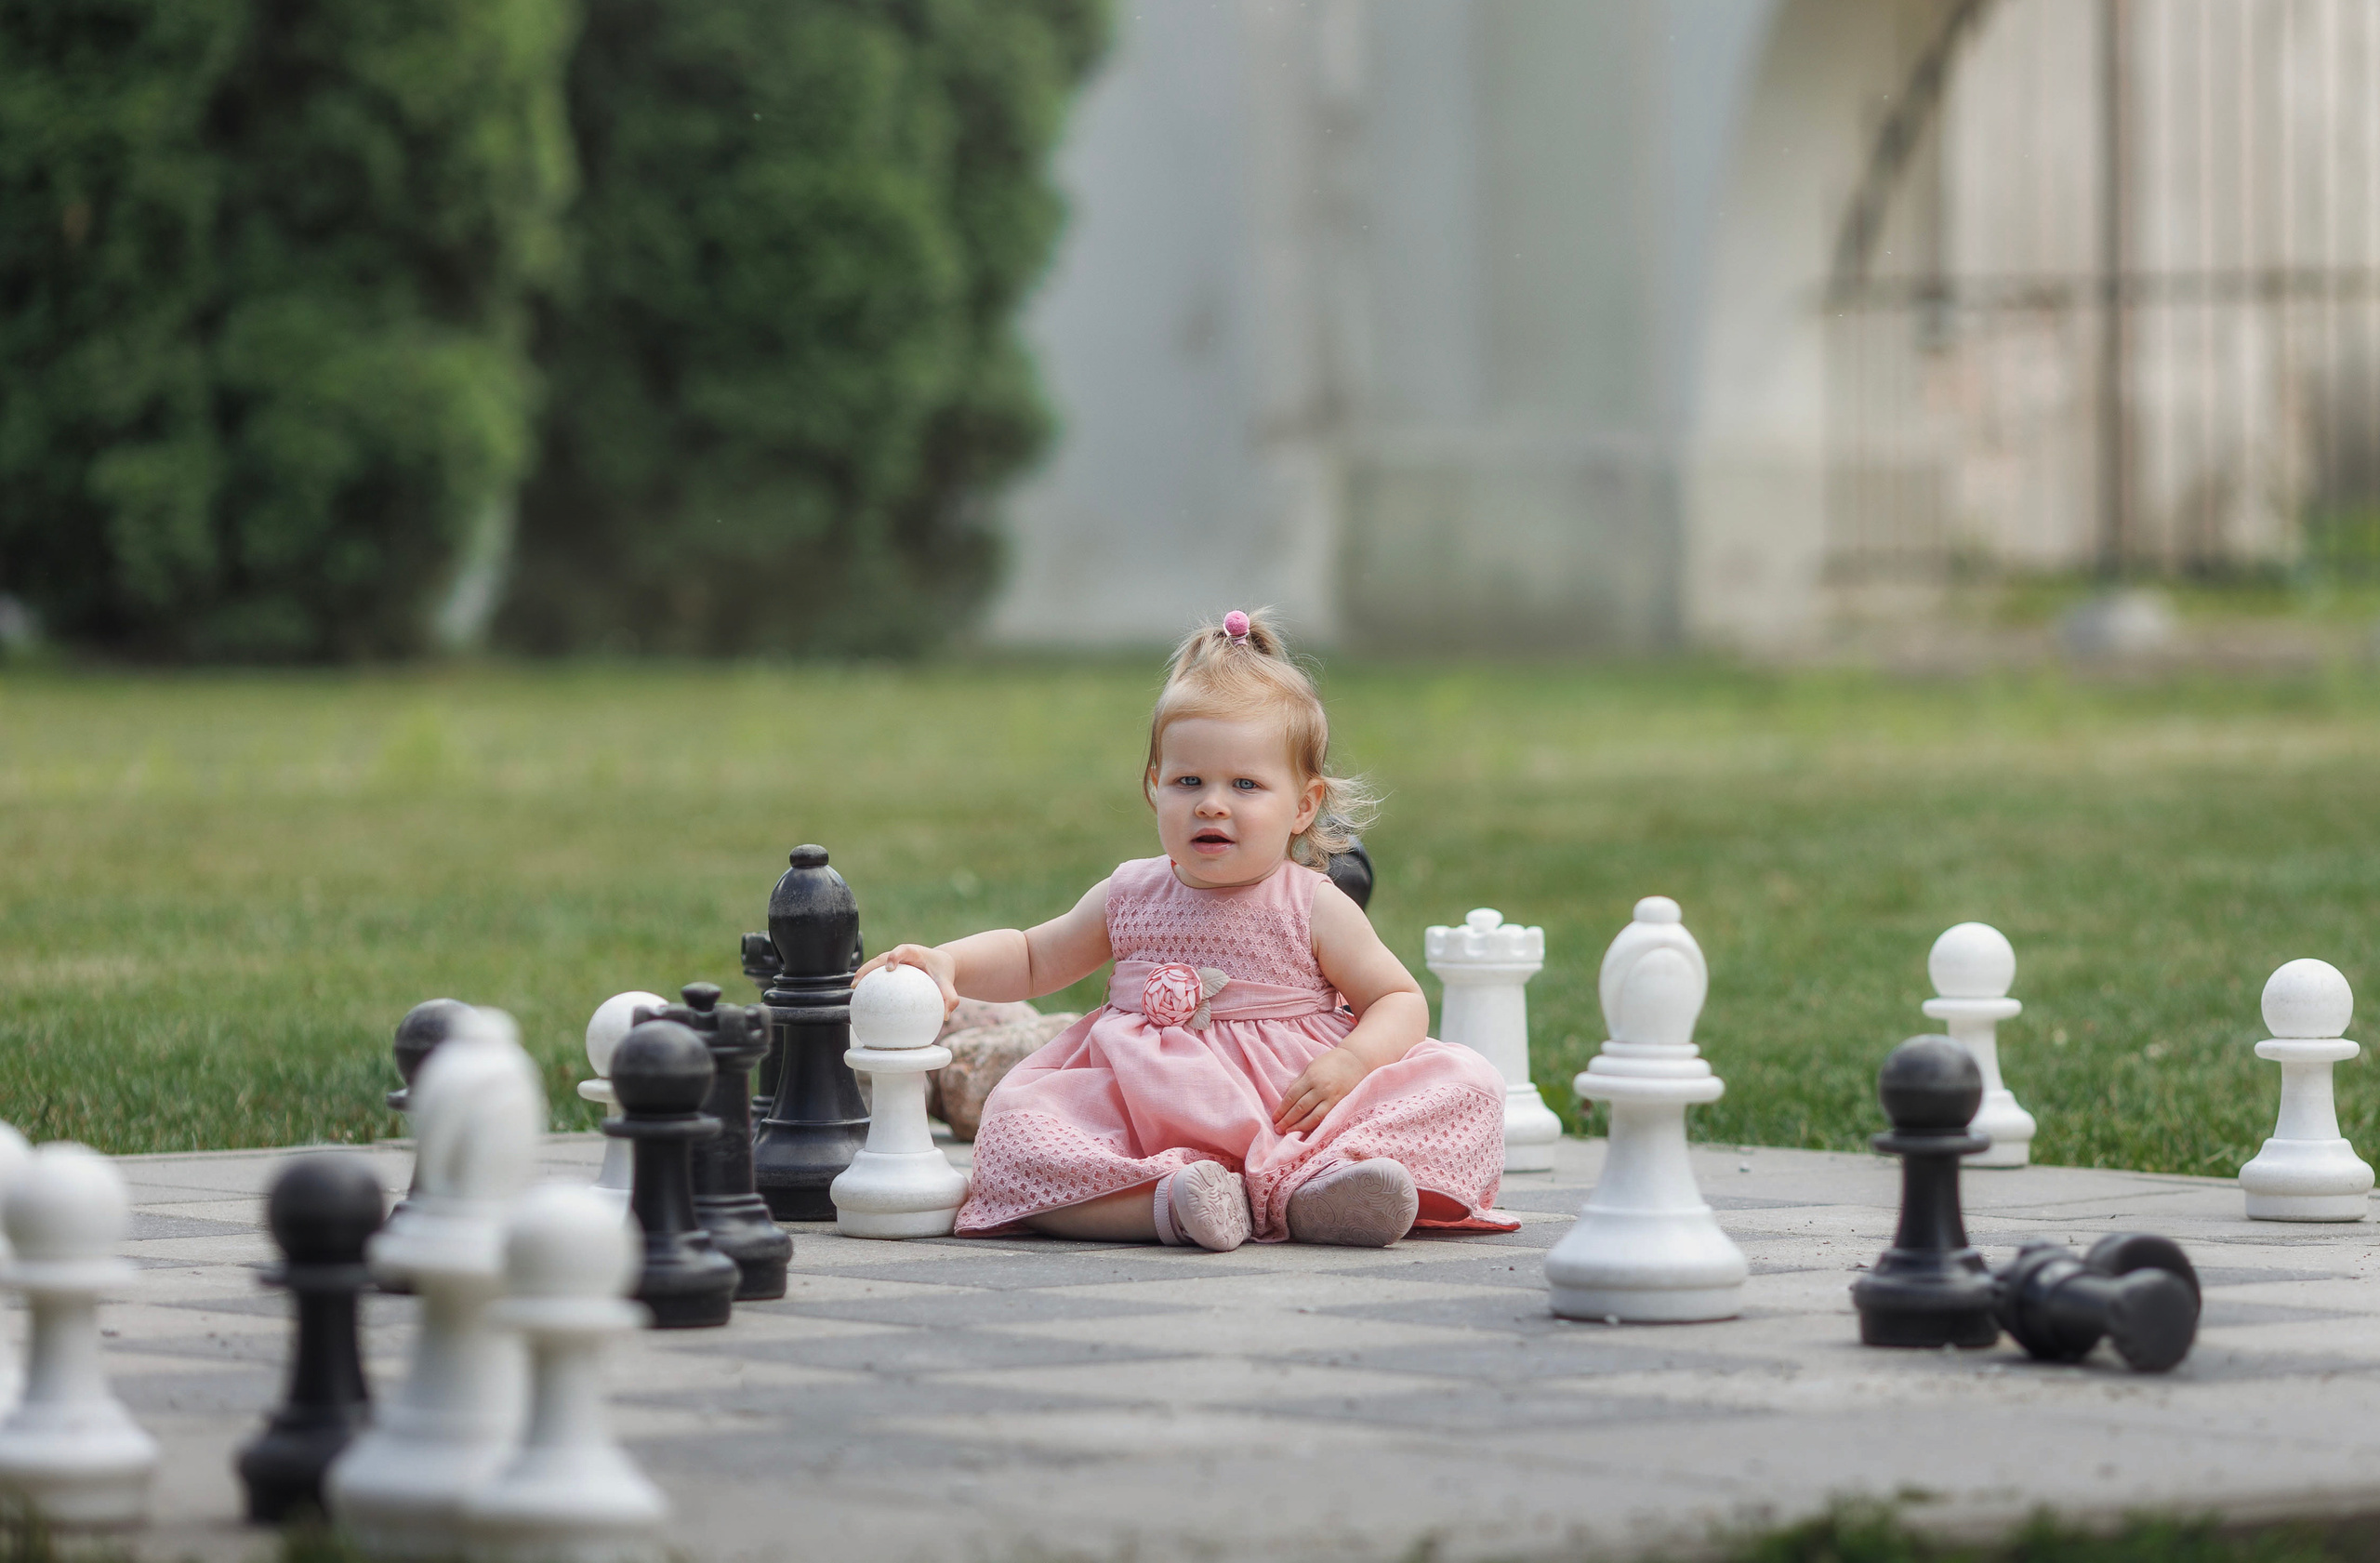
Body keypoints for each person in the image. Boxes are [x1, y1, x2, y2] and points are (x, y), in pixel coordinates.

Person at [858, 609, 1516, 1251]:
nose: (1211, 801)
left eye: (1246, 784)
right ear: (1155, 787)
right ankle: (1171, 1202)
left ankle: (1320, 1191)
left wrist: (1351, 1061)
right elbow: (1033, 956)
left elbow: (1399, 999)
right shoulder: (1131, 894)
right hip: (1144, 1116)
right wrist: (947, 962)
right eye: (1188, 780)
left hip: (1296, 1111)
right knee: (1013, 1130)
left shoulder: (1311, 903)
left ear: (1303, 804)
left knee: (1469, 1085)